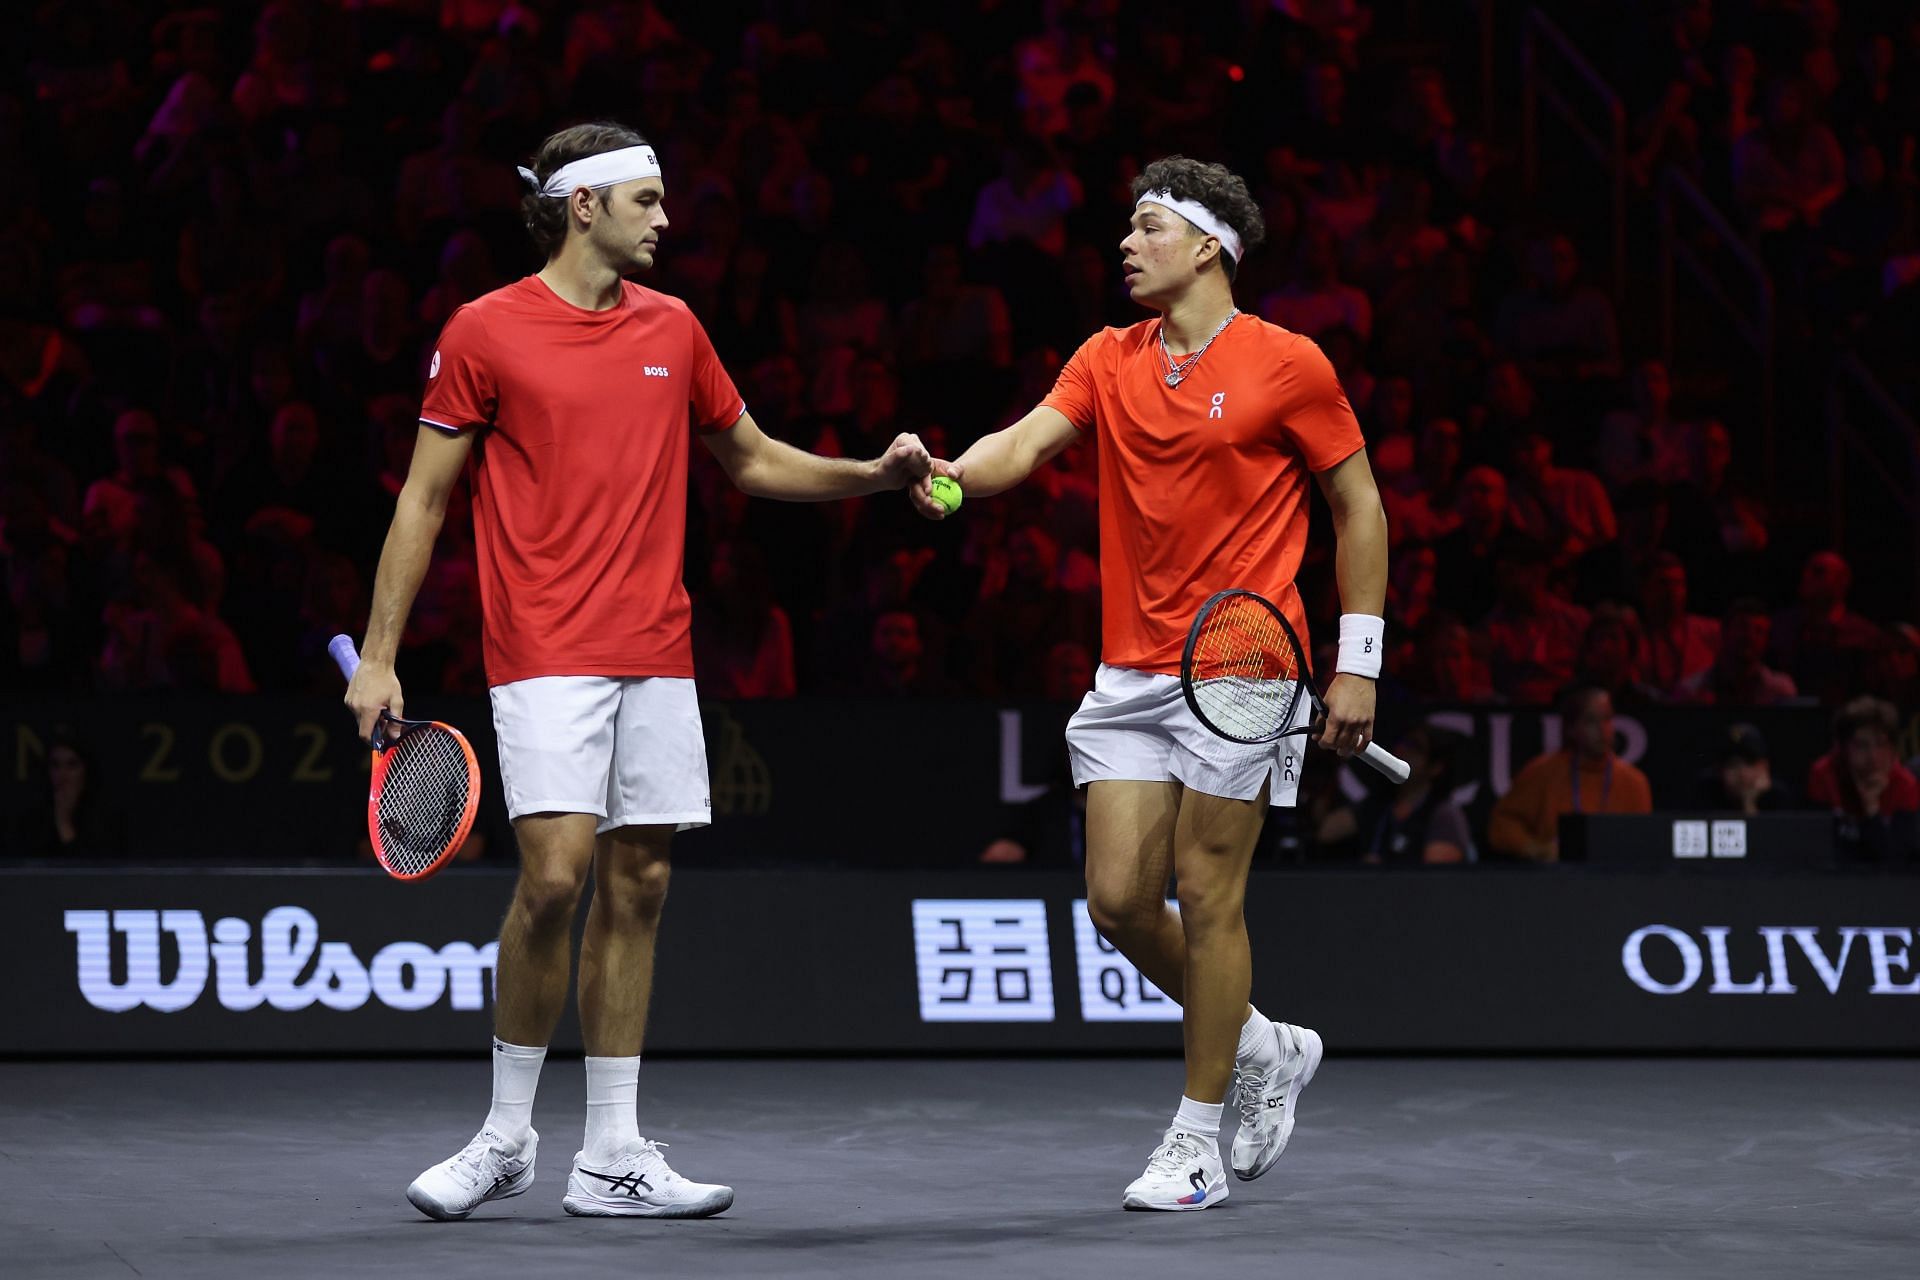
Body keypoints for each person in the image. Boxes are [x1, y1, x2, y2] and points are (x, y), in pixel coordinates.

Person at [344, 123, 930, 1224]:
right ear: (583, 206)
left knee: (641, 884)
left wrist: (871, 475)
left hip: (657, 646)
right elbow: (423, 498)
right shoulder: (484, 331)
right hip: (543, 645)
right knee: (556, 875)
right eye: (648, 200)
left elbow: (749, 457)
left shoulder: (676, 329)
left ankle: (611, 1152)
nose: (667, 219)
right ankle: (506, 1133)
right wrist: (380, 654)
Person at [910, 157, 1389, 1211]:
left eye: (1148, 227)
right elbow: (1024, 443)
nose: (1126, 244)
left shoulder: (1287, 363)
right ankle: (1265, 1041)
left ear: (1209, 245)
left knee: (1210, 895)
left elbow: (1358, 504)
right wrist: (947, 475)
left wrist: (1358, 664)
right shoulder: (1105, 357)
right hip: (1132, 665)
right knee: (1121, 898)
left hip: (1248, 662)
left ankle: (1195, 1138)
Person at [1487, 684, 1653, 862]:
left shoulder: (1634, 782)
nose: (1602, 729)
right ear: (1571, 729)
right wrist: (1534, 849)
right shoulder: (1543, 772)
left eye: (1607, 719)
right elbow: (1502, 824)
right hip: (1555, 881)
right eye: (1591, 721)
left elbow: (1644, 842)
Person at [1806, 696, 1920, 865]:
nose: (1873, 757)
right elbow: (1813, 851)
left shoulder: (1905, 785)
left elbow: (1896, 862)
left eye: (1881, 744)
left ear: (1893, 750)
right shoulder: (1824, 775)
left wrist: (1872, 807)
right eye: (1861, 745)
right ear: (1843, 748)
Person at [1691, 723, 1793, 814]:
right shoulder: (1705, 793)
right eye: (1733, 765)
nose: (1742, 774)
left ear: (1764, 767)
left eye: (1750, 763)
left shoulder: (1777, 797)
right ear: (1719, 770)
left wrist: (1749, 803)